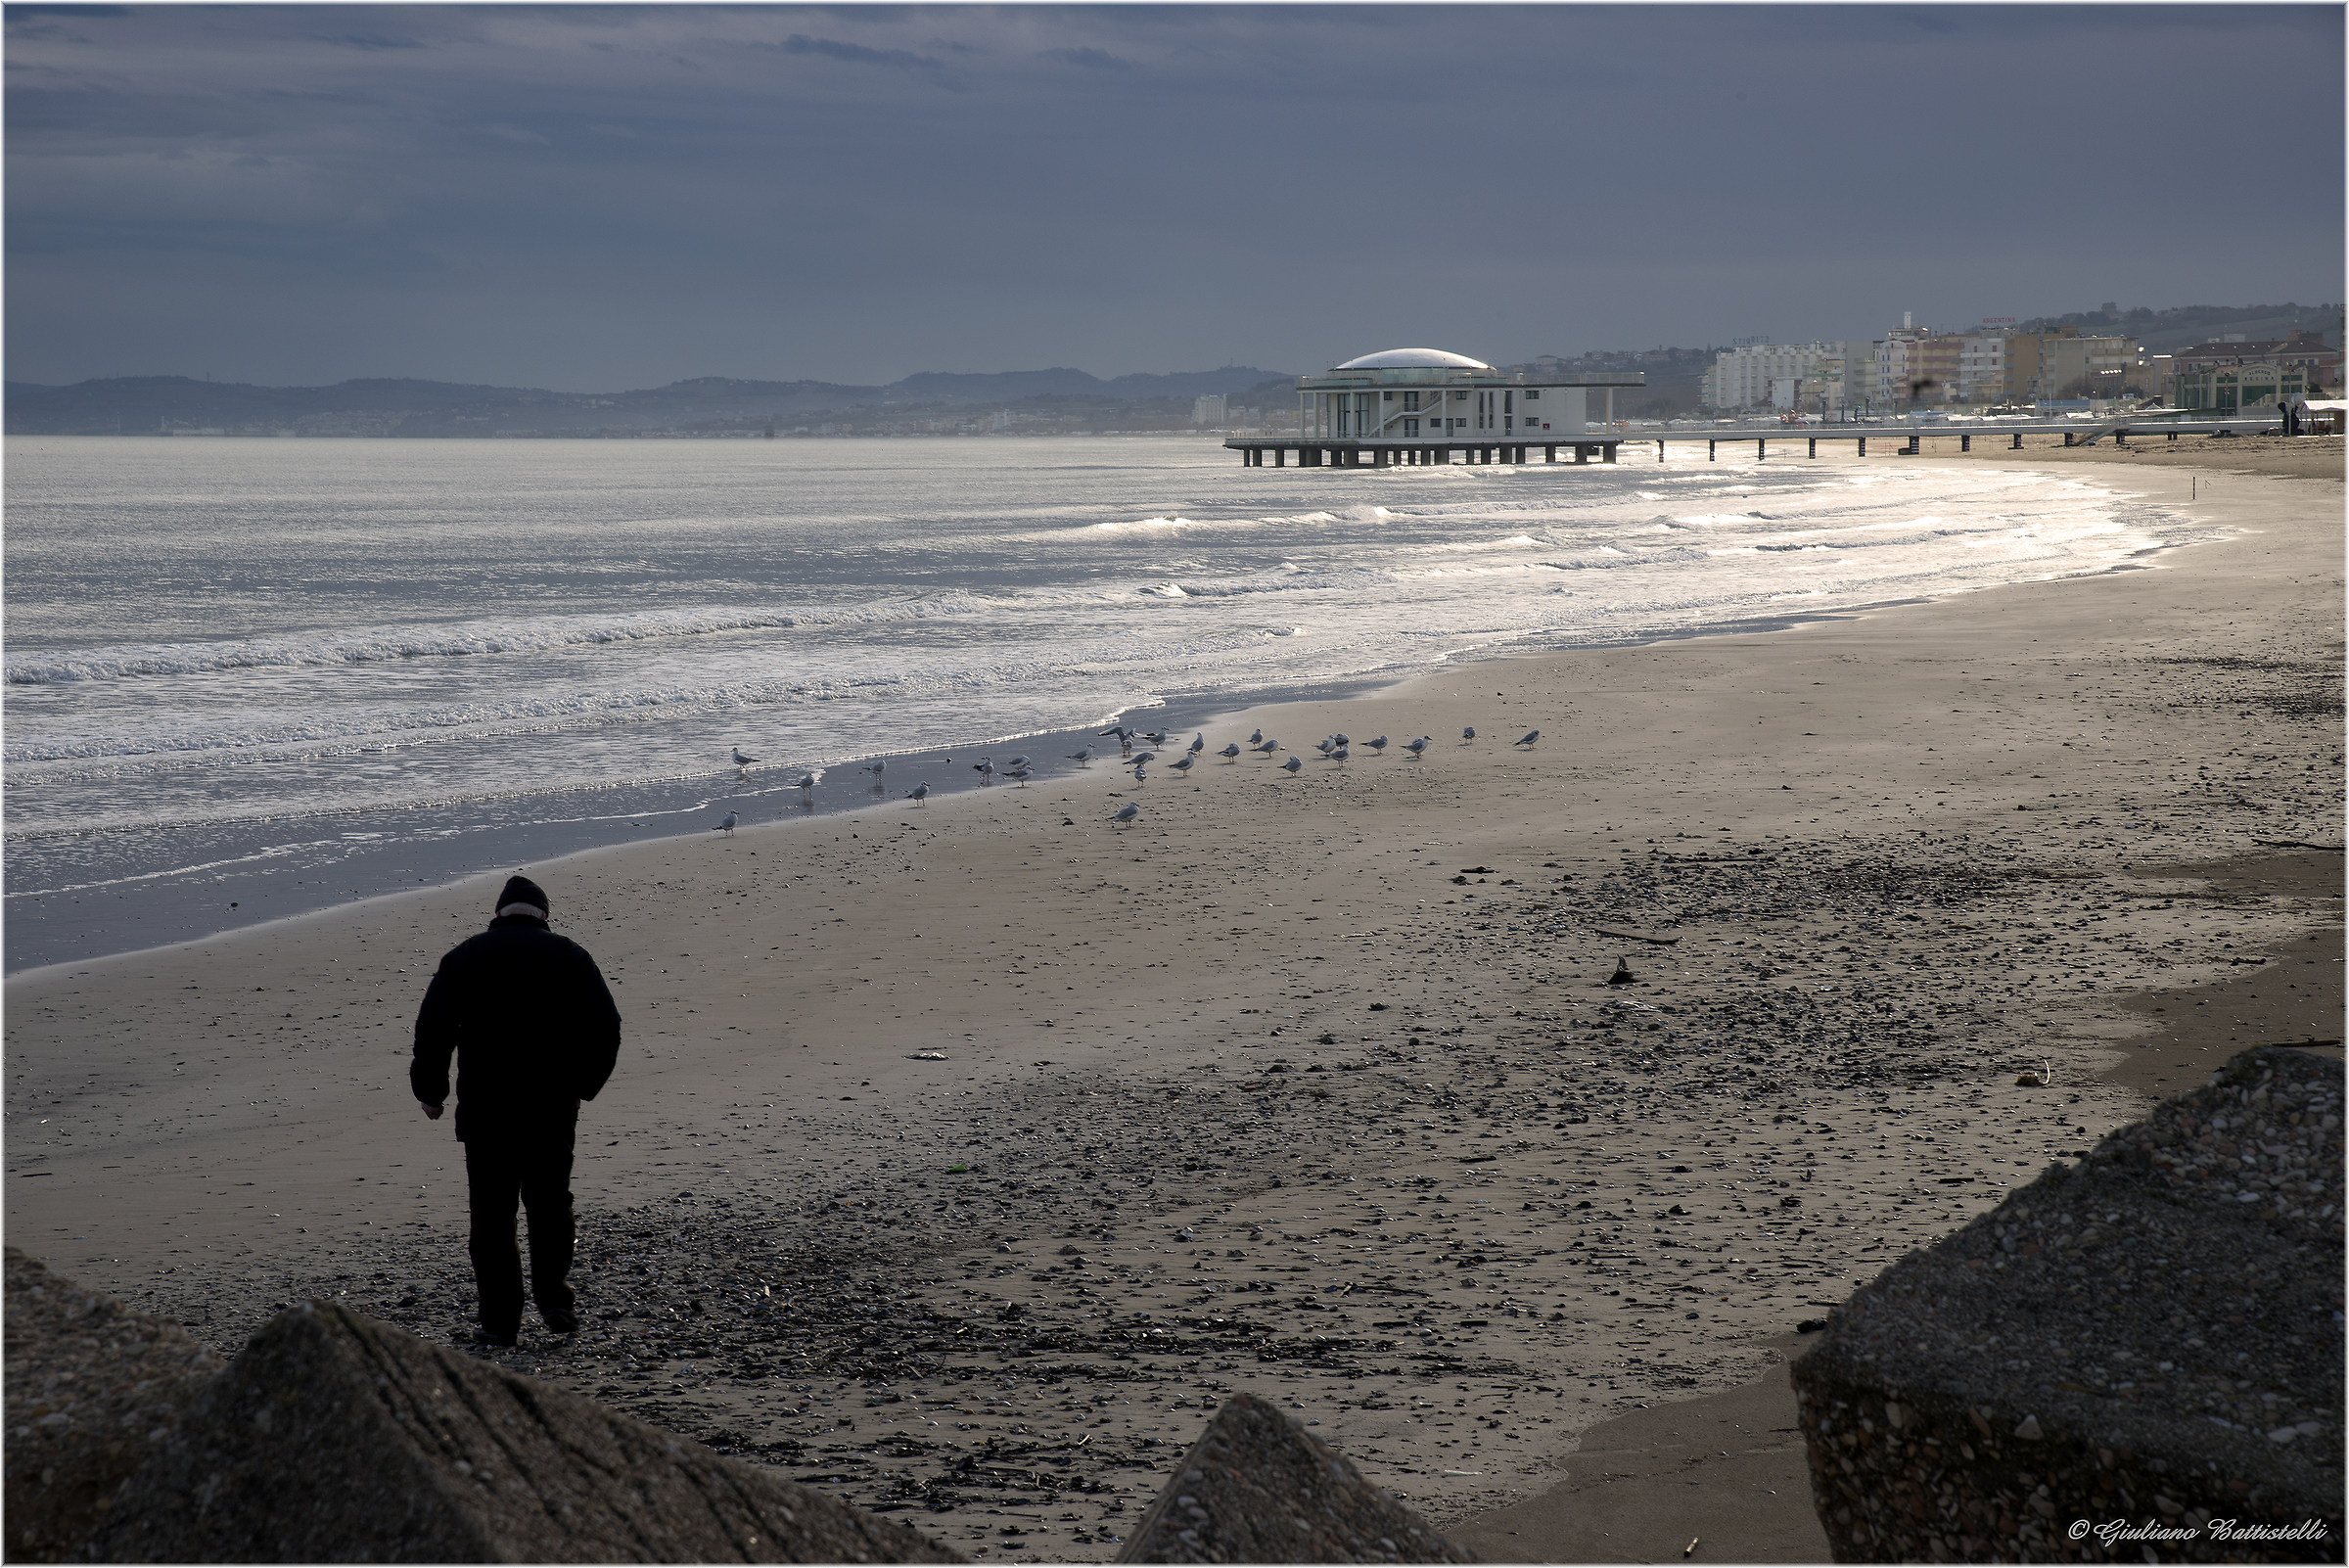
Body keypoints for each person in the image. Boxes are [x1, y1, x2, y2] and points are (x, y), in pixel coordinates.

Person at [411, 874, 622, 1347]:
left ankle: (500, 1321)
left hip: (487, 1109)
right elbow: (606, 1027)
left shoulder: (465, 957)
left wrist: (431, 1092)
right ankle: (554, 1300)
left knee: (491, 1216)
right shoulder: (570, 956)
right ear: (543, 914)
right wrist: (585, 1085)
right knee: (550, 1204)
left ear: (500, 912)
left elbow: (434, 1029)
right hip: (552, 1106)